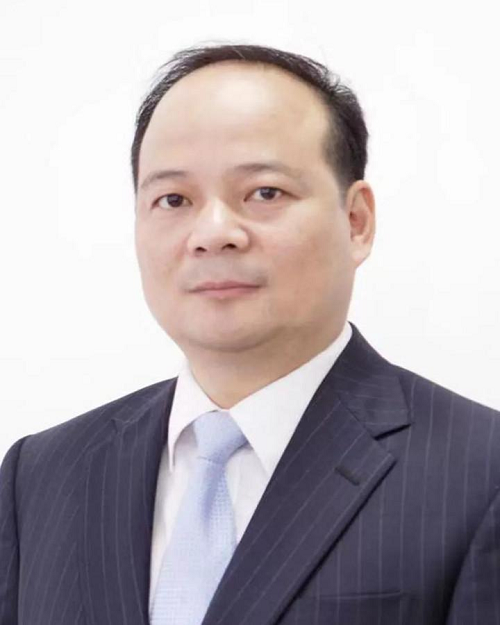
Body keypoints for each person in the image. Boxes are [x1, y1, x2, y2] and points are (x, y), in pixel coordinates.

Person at [1, 42, 499, 625]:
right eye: (173, 199)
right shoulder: (41, 476)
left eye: (265, 192)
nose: (214, 232)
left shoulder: (481, 474)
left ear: (356, 221)